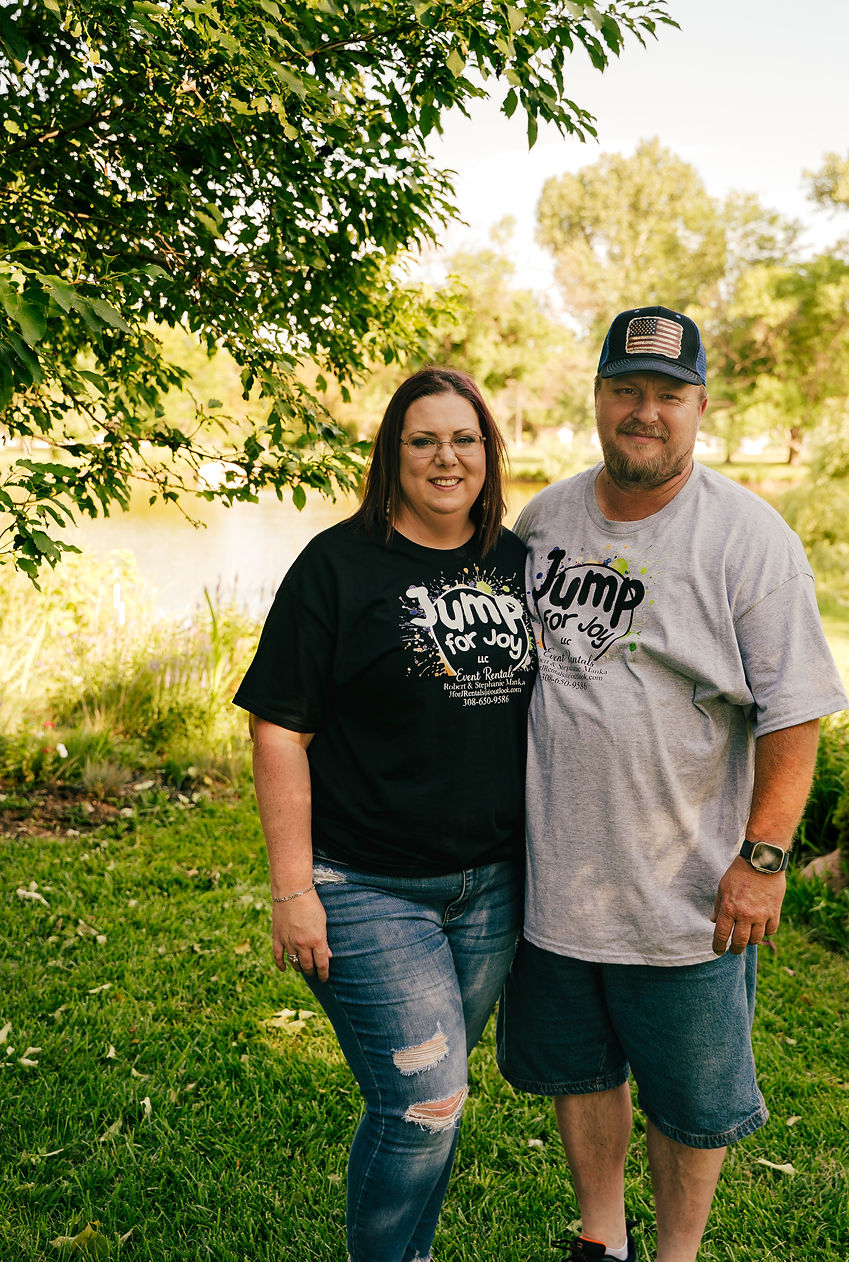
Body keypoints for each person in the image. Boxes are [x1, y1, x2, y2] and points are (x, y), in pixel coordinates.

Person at [497, 306, 849, 1262]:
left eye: (666, 394)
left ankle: (675, 1255)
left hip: (690, 890)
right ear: (599, 398)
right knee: (580, 1071)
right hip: (557, 875)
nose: (642, 411)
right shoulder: (544, 520)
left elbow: (795, 710)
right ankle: (601, 1240)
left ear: (700, 407)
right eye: (625, 390)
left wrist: (764, 857)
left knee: (691, 1102)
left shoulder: (748, 538)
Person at [233, 367, 535, 1262]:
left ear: (489, 452)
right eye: (423, 440)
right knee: (424, 1100)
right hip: (365, 882)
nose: (447, 457)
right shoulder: (338, 565)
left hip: (490, 888)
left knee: (434, 1106)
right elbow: (279, 731)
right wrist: (294, 890)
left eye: (465, 439)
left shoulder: (516, 563)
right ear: (391, 455)